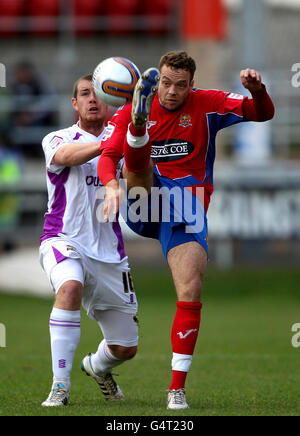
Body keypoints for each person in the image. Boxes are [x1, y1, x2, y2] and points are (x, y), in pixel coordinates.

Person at [97, 51, 275, 410]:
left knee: (191, 289)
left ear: (192, 85)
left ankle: (176, 389)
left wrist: (258, 91)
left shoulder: (208, 103)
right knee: (141, 170)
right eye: (165, 83)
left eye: (180, 86)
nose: (172, 92)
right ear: (157, 81)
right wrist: (110, 185)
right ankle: (139, 128)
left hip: (185, 207)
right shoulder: (121, 111)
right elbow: (106, 158)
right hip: (142, 200)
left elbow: (263, 113)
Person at [39, 75, 138, 407]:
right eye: (84, 94)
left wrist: (132, 145)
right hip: (62, 238)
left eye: (98, 94)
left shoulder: (126, 144)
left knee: (126, 347)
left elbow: (142, 183)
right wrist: (108, 142)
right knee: (69, 286)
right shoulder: (56, 138)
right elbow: (67, 157)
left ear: (109, 102)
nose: (92, 99)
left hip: (109, 253)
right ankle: (60, 386)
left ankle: (96, 367)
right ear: (75, 103)